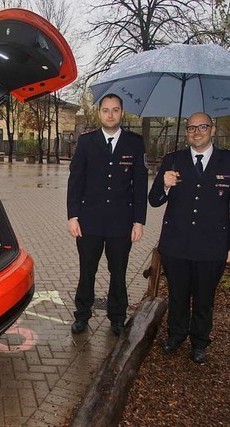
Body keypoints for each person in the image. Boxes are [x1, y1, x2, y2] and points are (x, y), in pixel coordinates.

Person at [148, 112, 230, 365]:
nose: (196, 132)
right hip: (176, 244)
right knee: (178, 295)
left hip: (212, 245)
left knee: (204, 298)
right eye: (191, 128)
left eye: (202, 127)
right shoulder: (173, 160)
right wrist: (165, 184)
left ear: (212, 130)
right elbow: (154, 200)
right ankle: (176, 335)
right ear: (186, 132)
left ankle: (200, 341)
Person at [67, 93, 148, 336]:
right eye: (105, 110)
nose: (110, 114)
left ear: (122, 113)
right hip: (89, 221)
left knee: (119, 272)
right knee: (87, 270)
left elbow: (140, 184)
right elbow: (76, 181)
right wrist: (73, 216)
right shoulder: (87, 142)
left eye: (115, 110)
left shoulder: (134, 143)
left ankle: (117, 317)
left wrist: (139, 221)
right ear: (99, 113)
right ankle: (82, 314)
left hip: (121, 223)